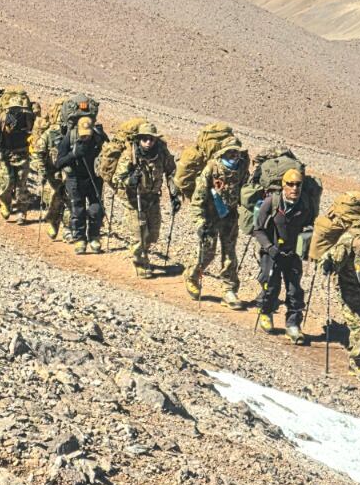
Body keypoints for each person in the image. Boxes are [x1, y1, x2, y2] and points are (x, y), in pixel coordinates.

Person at [318, 192, 360, 380]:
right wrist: (328, 264)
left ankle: (359, 356)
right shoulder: (350, 238)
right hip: (348, 285)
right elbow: (333, 257)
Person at [254, 168, 314, 339]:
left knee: (294, 290)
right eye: (290, 184)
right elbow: (258, 230)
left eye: (298, 184)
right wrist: (269, 247)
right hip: (271, 252)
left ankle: (293, 324)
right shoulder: (271, 203)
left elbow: (311, 224)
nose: (294, 188)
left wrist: (307, 239)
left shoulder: (305, 203)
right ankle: (266, 312)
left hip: (292, 254)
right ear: (283, 185)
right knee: (271, 285)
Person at [114, 122, 179, 276]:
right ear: (139, 139)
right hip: (134, 200)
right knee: (139, 233)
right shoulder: (130, 155)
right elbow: (118, 178)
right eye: (144, 139)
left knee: (152, 234)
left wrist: (174, 195)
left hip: (153, 199)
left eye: (151, 139)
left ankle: (144, 254)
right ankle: (140, 263)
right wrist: (130, 180)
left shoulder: (161, 154)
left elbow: (171, 173)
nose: (148, 142)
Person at [187, 147, 246, 306]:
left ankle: (229, 290)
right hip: (210, 217)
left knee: (229, 255)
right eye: (231, 153)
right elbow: (197, 199)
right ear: (223, 154)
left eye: (237, 154)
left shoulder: (241, 169)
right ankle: (192, 276)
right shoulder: (211, 169)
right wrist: (199, 222)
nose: (234, 157)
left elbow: (246, 192)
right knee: (207, 252)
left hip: (230, 218)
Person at [55, 113, 108, 254]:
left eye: (88, 135)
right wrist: (73, 155)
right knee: (77, 209)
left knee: (96, 209)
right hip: (75, 179)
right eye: (83, 135)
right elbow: (58, 163)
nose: (86, 137)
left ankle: (94, 237)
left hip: (94, 179)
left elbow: (109, 157)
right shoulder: (69, 138)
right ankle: (80, 239)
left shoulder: (99, 138)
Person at [0, 92, 37, 222]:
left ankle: (21, 211)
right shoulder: (2, 118)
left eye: (18, 108)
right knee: (6, 182)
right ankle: (6, 203)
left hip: (23, 153)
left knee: (21, 185)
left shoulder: (29, 118)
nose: (16, 111)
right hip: (6, 154)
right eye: (14, 109)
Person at [32, 105, 69, 240]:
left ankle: (68, 229)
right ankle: (54, 223)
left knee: (70, 200)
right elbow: (39, 152)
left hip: (70, 173)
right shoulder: (51, 133)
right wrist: (42, 171)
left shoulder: (77, 132)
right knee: (54, 199)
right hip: (53, 173)